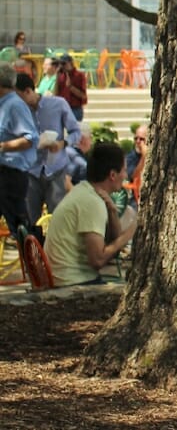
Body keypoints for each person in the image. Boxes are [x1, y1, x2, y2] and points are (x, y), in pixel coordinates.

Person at [43, 141, 137, 286]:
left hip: (66, 278)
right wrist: (130, 233)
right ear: (112, 175)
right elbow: (98, 260)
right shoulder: (92, 202)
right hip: (72, 283)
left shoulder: (84, 190)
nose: (125, 175)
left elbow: (113, 246)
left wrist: (112, 211)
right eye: (124, 170)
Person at [14, 73, 80, 223]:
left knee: (56, 221)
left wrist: (62, 144)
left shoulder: (58, 104)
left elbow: (76, 132)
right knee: (31, 221)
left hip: (56, 170)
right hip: (31, 172)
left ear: (28, 91)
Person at [0, 63, 39, 236]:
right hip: (3, 173)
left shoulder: (15, 106)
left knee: (21, 229)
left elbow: (30, 138)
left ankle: (36, 260)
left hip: (11, 175)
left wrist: (3, 147)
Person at [55, 53, 88, 121]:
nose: (62, 66)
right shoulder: (61, 76)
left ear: (71, 63)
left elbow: (83, 96)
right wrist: (56, 78)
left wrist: (71, 87)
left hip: (75, 109)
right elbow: (56, 94)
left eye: (64, 64)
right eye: (61, 64)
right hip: (62, 108)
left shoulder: (79, 75)